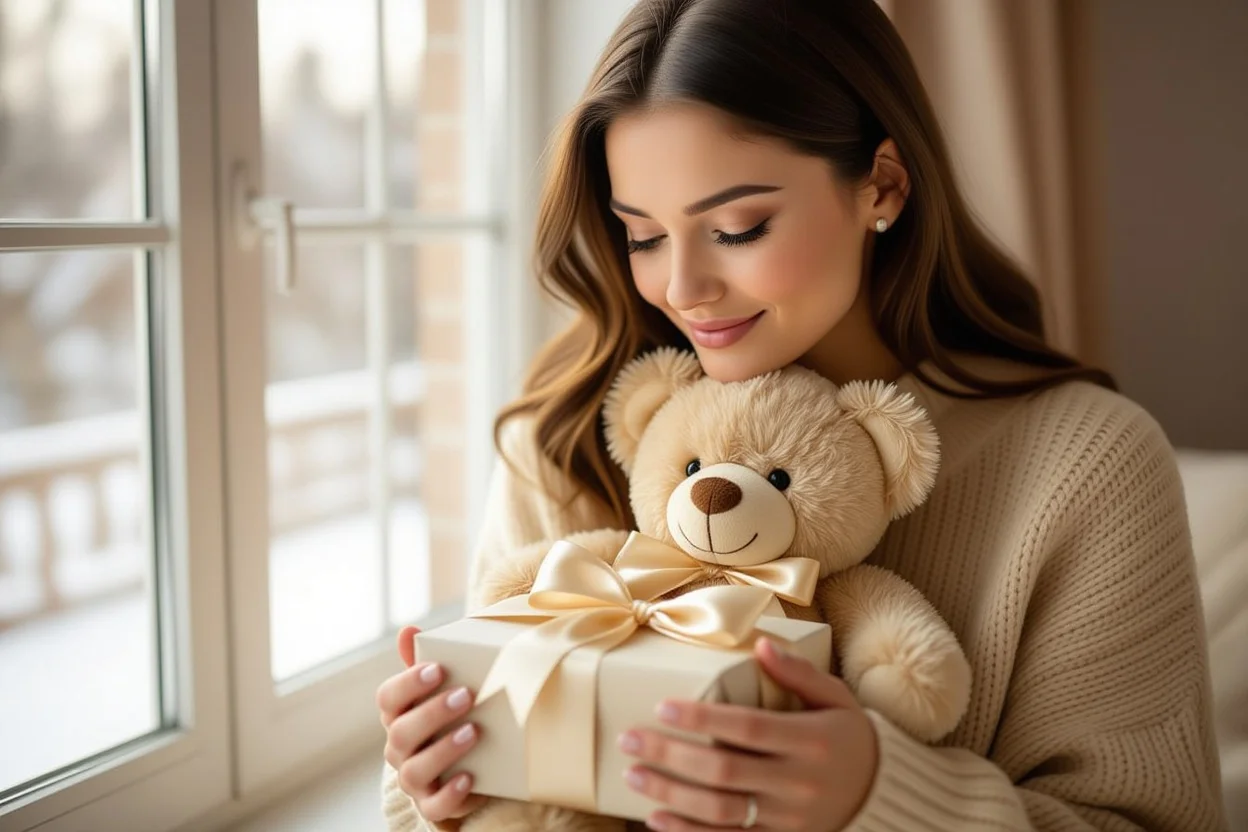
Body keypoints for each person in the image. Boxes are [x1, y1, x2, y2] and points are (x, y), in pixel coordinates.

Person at [376, 0, 1228, 829]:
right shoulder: (568, 436)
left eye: (739, 227)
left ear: (882, 187)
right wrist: (438, 792)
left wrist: (880, 799)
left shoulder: (1087, 462)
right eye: (642, 235)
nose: (682, 289)